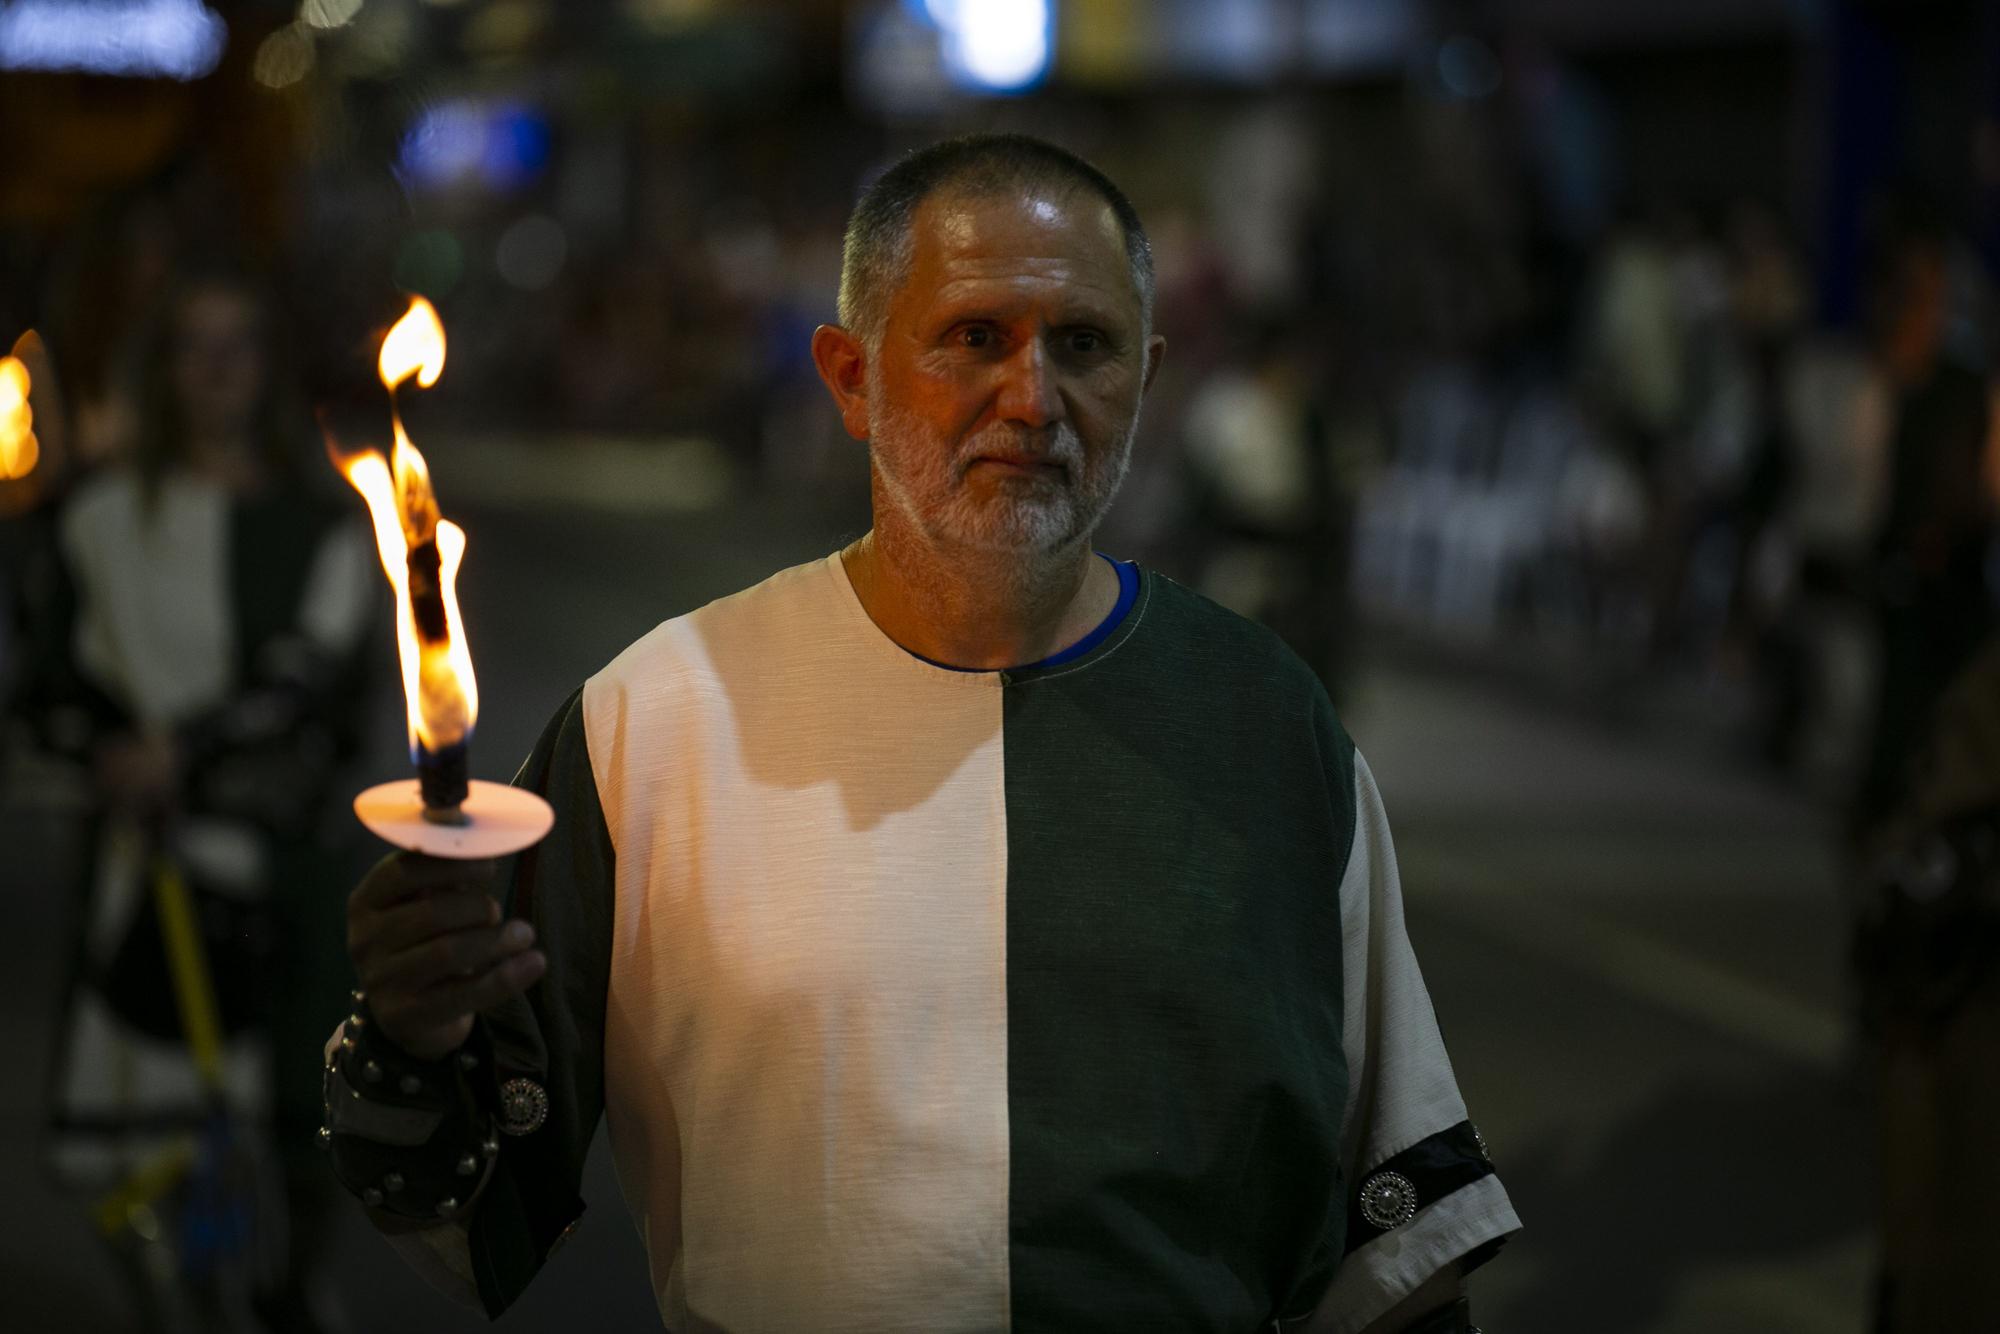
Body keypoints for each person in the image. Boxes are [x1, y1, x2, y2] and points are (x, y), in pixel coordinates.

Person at [325, 135, 1520, 1333]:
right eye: (974, 337)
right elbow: (465, 1205)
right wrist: (413, 1031)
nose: (1034, 398)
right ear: (850, 378)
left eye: (1084, 345)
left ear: (1147, 379)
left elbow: (1399, 1258)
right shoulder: (654, 718)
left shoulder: (1266, 726)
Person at [19, 267, 377, 1330]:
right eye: (194, 345)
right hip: (143, 866)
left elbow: (314, 687)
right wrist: (109, 754)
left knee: (292, 1121)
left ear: (268, 368)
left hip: (282, 875)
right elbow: (48, 686)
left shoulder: (323, 527)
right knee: (143, 1125)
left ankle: (277, 1287)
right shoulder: (95, 518)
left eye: (240, 344)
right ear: (162, 368)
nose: (219, 368)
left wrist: (179, 752)